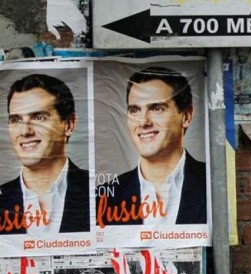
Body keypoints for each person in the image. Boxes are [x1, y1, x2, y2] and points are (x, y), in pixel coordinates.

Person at [96, 66, 207, 227]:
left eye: (156, 108)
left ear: (186, 115)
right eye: (134, 110)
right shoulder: (103, 197)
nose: (143, 122)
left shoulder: (211, 183)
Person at [0, 73, 89, 235]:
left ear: (68, 125)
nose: (25, 131)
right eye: (16, 120)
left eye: (38, 117)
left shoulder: (98, 192)